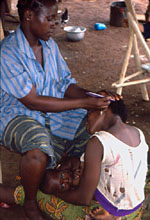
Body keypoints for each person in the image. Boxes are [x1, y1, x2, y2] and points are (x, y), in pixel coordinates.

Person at [0, 0, 115, 219]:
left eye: (57, 18)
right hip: (16, 115)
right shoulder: (8, 53)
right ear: (28, 16)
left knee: (99, 120)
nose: (55, 24)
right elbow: (32, 101)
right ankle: (31, 203)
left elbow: (64, 84)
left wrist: (94, 96)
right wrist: (83, 103)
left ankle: (69, 164)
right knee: (37, 150)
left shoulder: (49, 45)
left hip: (53, 115)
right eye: (50, 19)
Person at [0, 99, 149, 220]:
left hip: (110, 210)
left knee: (34, 193)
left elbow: (83, 199)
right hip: (136, 209)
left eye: (88, 114)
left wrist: (52, 193)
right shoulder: (138, 133)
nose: (86, 122)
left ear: (102, 110)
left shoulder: (98, 142)